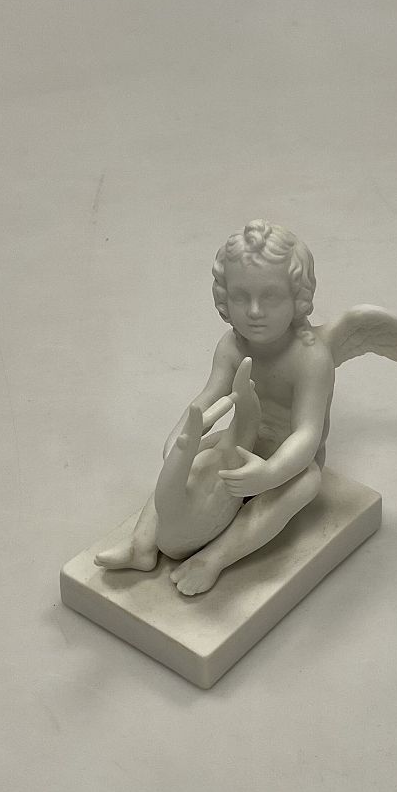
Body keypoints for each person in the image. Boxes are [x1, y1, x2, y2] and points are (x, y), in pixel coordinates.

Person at [96, 220, 334, 595]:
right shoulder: (231, 346)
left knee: (307, 483)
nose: (254, 311)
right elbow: (208, 398)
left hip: (289, 457)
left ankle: (214, 559)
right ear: (224, 297)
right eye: (240, 297)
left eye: (271, 297)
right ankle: (142, 544)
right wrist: (180, 443)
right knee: (190, 459)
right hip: (241, 438)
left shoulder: (311, 358)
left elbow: (307, 432)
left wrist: (270, 474)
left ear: (297, 297)